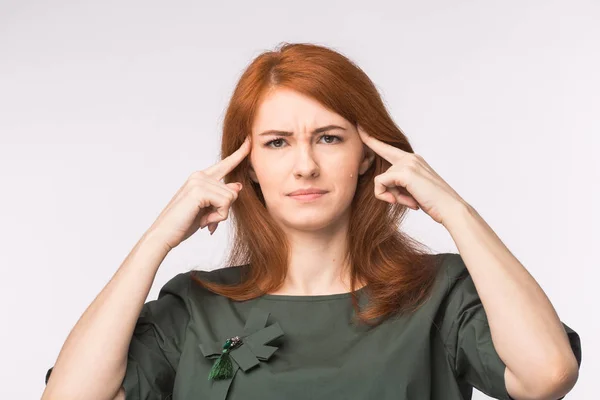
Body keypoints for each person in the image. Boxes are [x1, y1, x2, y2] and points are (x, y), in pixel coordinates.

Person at [42, 42, 582, 400]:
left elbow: (548, 375)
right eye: (277, 143)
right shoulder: (195, 308)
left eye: (329, 137)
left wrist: (457, 211)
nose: (305, 165)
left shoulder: (438, 293)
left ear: (369, 153)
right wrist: (157, 239)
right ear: (247, 166)